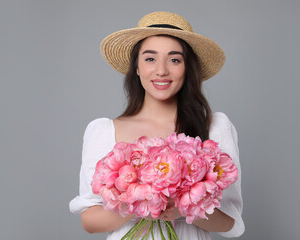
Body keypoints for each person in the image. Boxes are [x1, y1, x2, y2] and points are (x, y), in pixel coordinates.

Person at [69, 11, 244, 239]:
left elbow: (232, 224)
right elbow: (89, 220)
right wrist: (141, 203)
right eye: (150, 58)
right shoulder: (103, 132)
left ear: (187, 68)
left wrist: (185, 208)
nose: (161, 70)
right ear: (137, 68)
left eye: (174, 59)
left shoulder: (214, 127)